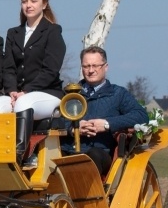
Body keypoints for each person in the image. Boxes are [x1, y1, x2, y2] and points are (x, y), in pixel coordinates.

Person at [0, 0, 66, 164]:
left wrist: (26, 91)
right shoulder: (13, 33)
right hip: (18, 94)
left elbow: (51, 70)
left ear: (44, 4)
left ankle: (20, 156)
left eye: (33, 1)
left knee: (24, 103)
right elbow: (9, 67)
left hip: (47, 94)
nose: (28, 5)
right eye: (24, 1)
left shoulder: (52, 31)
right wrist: (12, 90)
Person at [61, 45, 149, 174]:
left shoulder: (118, 94)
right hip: (68, 150)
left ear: (105, 67)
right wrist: (74, 128)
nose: (91, 70)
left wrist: (107, 124)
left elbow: (141, 116)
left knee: (92, 156)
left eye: (96, 66)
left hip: (100, 154)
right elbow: (55, 120)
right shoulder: (69, 94)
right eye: (86, 66)